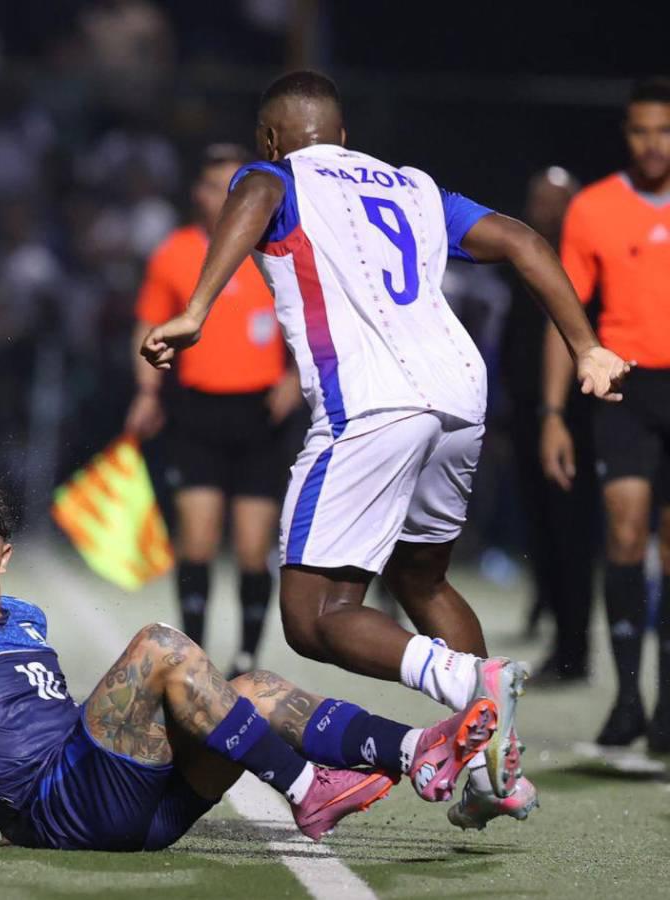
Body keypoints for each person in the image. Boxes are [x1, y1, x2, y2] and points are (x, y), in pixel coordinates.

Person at [141, 70, 629, 828]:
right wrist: (588, 346)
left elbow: (256, 198)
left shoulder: (275, 173)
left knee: (312, 617)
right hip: (460, 396)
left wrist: (198, 307)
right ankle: (495, 766)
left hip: (369, 404)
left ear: (271, 138)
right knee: (422, 579)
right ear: (342, 136)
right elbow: (525, 241)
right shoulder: (414, 187)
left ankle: (469, 684)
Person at [0, 476, 501, 850]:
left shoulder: (27, 617)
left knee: (254, 688)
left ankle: (415, 749)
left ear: (3, 555)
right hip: (57, 812)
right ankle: (309, 789)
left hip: (134, 811)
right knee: (160, 645)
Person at [125, 143, 303, 676]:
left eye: (236, 186)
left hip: (263, 417)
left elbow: (312, 320)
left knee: (252, 547)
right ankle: (193, 656)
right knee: (196, 538)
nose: (225, 197)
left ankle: (247, 656)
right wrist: (148, 392)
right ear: (198, 194)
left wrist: (294, 376)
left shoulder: (279, 250)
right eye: (214, 186)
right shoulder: (175, 252)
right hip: (197, 413)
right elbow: (148, 323)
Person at [540, 77, 670, 750]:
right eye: (642, 129)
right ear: (627, 134)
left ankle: (669, 708)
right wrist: (553, 413)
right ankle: (626, 699)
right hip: (625, 386)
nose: (653, 142)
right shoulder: (594, 209)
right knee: (624, 534)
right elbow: (568, 319)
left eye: (664, 129)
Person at [501, 167, 597, 683]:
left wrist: (556, 413)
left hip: (574, 422)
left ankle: (574, 651)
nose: (546, 211)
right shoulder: (520, 263)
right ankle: (559, 633)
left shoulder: (585, 263)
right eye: (538, 200)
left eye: (557, 201)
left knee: (571, 533)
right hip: (525, 416)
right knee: (540, 529)